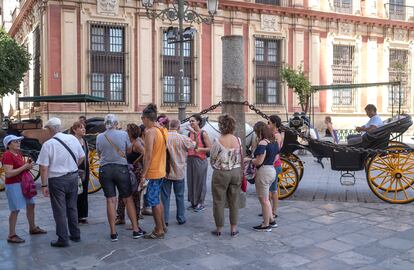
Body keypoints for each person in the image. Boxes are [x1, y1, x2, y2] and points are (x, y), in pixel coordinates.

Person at [96, 114, 145, 242]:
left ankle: (113, 233)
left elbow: (99, 153)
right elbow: (129, 150)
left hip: (105, 169)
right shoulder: (123, 134)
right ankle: (135, 229)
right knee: (128, 199)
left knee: (110, 201)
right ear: (116, 123)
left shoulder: (99, 136)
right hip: (121, 169)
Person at [38, 117, 84, 247]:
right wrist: (72, 166)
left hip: (57, 180)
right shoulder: (72, 139)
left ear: (50, 129)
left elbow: (43, 167)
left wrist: (44, 185)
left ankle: (63, 239)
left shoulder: (48, 144)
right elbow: (82, 156)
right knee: (72, 207)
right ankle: (75, 235)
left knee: (59, 210)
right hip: (73, 177)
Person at [2, 135, 47, 244]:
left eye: (19, 141)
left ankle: (32, 228)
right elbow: (8, 174)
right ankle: (11, 235)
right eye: (15, 141)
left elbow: (21, 168)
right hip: (13, 185)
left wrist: (28, 165)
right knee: (15, 210)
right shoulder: (7, 155)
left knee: (31, 205)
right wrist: (25, 167)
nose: (18, 143)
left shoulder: (18, 154)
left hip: (22, 184)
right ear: (8, 145)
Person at [210, 114, 243, 237]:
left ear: (221, 126)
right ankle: (233, 228)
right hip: (236, 172)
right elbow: (241, 155)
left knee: (218, 200)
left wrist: (216, 166)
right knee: (234, 201)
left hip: (221, 172)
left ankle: (219, 228)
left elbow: (212, 158)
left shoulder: (217, 141)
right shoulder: (238, 140)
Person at [160, 119, 195, 227]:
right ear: (179, 127)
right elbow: (193, 146)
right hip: (179, 171)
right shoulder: (183, 138)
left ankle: (164, 219)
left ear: (169, 126)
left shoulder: (163, 137)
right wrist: (193, 132)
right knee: (180, 196)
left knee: (165, 196)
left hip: (165, 172)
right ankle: (181, 218)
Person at [140, 103, 168, 239]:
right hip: (161, 169)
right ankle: (162, 225)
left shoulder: (151, 132)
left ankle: (158, 230)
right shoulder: (161, 130)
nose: (142, 121)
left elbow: (148, 155)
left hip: (154, 171)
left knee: (153, 201)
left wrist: (144, 174)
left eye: (142, 118)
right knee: (158, 199)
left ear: (146, 118)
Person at [246, 121, 278, 232]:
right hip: (271, 170)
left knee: (263, 200)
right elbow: (275, 159)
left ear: (259, 132)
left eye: (256, 132)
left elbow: (259, 161)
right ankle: (272, 220)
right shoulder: (273, 142)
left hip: (263, 172)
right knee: (266, 199)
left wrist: (249, 160)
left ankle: (265, 224)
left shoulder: (263, 143)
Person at [115, 123, 145, 225]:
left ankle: (135, 222)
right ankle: (120, 217)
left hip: (135, 172)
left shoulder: (137, 143)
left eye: (127, 131)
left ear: (130, 133)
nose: (125, 132)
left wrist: (136, 162)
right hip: (127, 171)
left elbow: (145, 153)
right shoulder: (129, 142)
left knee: (135, 196)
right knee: (122, 194)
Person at [187, 114, 211, 212]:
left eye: (192, 121)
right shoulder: (189, 134)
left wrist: (200, 149)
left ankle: (201, 203)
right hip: (190, 159)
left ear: (198, 122)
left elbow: (210, 147)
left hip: (200, 160)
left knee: (200, 182)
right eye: (190, 121)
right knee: (191, 181)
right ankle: (193, 202)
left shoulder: (203, 133)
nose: (191, 123)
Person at [70, 121, 89, 224]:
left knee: (84, 192)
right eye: (81, 128)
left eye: (84, 128)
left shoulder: (84, 141)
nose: (83, 129)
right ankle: (75, 215)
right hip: (75, 169)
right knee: (75, 193)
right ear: (74, 130)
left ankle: (83, 215)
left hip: (85, 169)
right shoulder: (72, 141)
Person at [267, 115, 283, 223]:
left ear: (274, 124)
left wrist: (270, 164)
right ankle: (268, 209)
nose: (267, 125)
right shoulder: (273, 135)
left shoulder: (277, 136)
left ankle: (273, 211)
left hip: (274, 165)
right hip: (272, 165)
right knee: (269, 190)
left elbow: (276, 152)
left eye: (269, 123)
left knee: (273, 190)